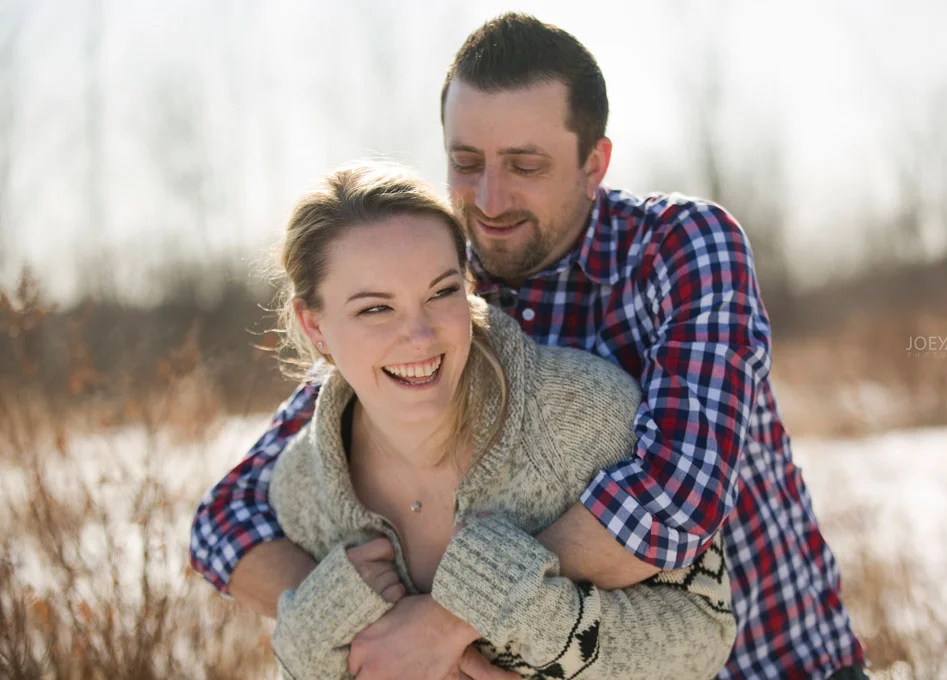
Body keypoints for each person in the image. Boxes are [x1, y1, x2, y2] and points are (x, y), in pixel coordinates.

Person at [190, 12, 868, 680]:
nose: (489, 198)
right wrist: (365, 626)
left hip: (770, 661)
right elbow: (226, 522)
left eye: (525, 164)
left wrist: (448, 623)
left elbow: (673, 498)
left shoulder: (680, 247)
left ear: (593, 163)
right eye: (467, 161)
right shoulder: (436, 301)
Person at [261, 163, 735, 680]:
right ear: (314, 326)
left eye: (441, 292)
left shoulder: (578, 413)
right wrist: (308, 651)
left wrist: (521, 610)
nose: (420, 336)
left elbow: (706, 631)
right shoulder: (301, 485)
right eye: (376, 309)